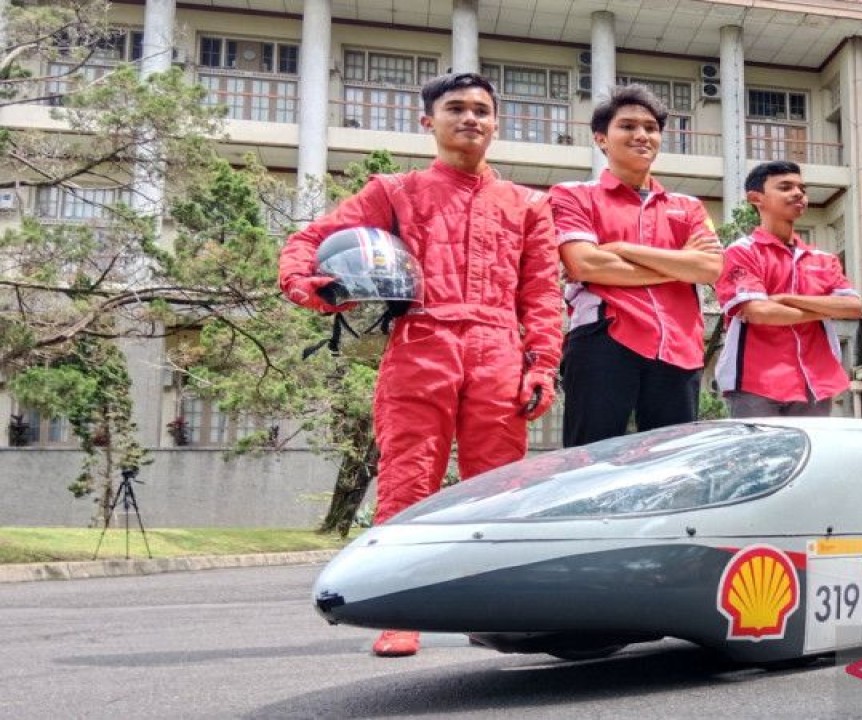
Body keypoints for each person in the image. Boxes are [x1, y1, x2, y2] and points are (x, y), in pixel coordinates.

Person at [278, 73, 562, 657]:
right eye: (455, 109)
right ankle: (399, 612)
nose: (470, 119)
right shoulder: (395, 190)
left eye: (482, 110)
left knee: (497, 490)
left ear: (497, 123)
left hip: (497, 348)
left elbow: (541, 292)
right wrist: (310, 285)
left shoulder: (529, 204)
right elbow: (311, 239)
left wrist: (542, 365)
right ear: (427, 122)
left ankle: (496, 611)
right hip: (421, 341)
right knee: (410, 478)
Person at [550, 85, 723, 447]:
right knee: (588, 459)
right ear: (601, 139)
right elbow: (585, 264)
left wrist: (623, 249)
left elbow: (710, 268)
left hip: (679, 346)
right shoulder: (573, 195)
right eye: (627, 126)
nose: (642, 135)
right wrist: (679, 265)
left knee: (671, 464)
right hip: (604, 339)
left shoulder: (687, 206)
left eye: (651, 127)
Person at [713, 160, 862, 417]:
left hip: (816, 381)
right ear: (756, 198)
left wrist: (786, 299)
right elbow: (759, 312)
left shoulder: (822, 259)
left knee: (812, 456)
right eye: (785, 187)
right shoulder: (741, 252)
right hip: (755, 381)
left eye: (802, 189)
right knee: (758, 457)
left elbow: (854, 307)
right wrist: (822, 309)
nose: (798, 194)